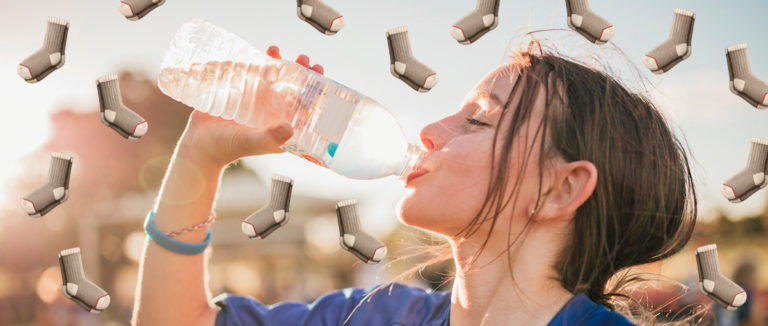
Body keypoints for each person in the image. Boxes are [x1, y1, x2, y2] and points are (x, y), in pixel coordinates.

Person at [130, 40, 699, 325]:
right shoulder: (379, 316)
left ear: (558, 189)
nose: (428, 130)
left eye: (478, 119)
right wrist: (201, 157)